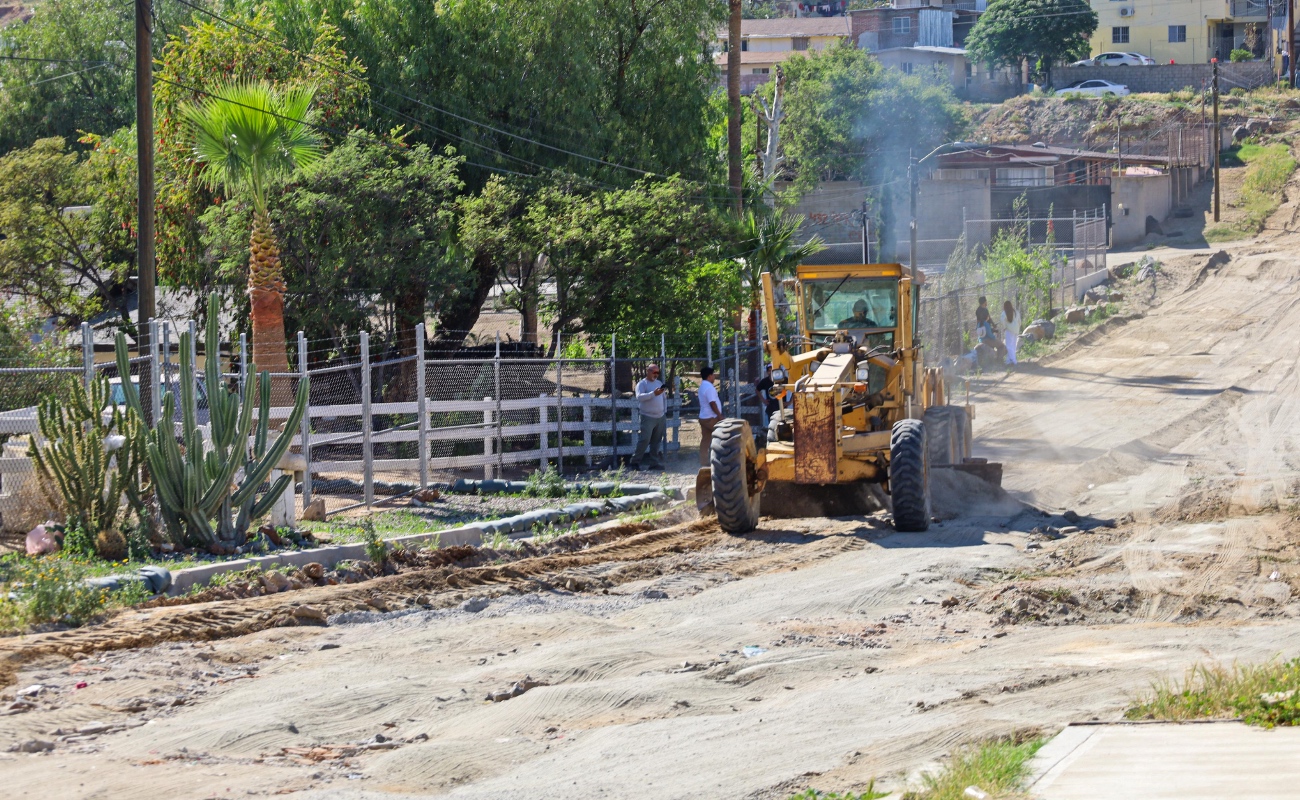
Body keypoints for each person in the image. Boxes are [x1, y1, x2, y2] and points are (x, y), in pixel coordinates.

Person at [630, 363, 668, 470]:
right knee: (645, 440)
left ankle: (654, 463)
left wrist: (664, 411)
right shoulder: (642, 384)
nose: (656, 374)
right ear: (648, 371)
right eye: (654, 372)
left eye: (657, 372)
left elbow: (664, 398)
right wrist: (653, 394)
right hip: (647, 417)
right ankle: (635, 462)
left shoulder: (659, 383)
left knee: (656, 441)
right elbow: (639, 397)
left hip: (660, 417)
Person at [697, 365, 722, 467]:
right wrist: (720, 416)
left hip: (704, 417)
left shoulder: (702, 386)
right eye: (713, 375)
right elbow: (712, 403)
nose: (714, 377)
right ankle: (720, 460)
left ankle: (704, 462)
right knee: (722, 436)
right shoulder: (709, 388)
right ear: (709, 376)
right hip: (711, 418)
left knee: (706, 440)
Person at [1002, 300, 1020, 366]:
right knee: (1013, 345)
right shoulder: (1015, 311)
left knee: (1009, 346)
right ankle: (1008, 360)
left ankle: (1014, 360)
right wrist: (1018, 327)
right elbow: (1019, 321)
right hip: (1016, 330)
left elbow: (1002, 320)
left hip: (1009, 330)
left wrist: (1005, 327)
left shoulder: (1004, 312)